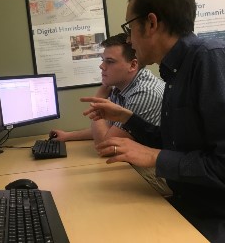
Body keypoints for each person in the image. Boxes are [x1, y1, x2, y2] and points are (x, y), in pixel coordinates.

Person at [81, 0, 225, 242]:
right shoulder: (176, 71)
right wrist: (128, 119)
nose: (130, 40)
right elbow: (180, 146)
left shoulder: (215, 60)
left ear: (152, 23)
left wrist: (156, 158)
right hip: (195, 206)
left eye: (130, 27)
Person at [51, 33, 171, 196]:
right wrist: (68, 136)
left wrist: (100, 97)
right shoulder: (121, 87)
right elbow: (111, 129)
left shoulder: (144, 93)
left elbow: (106, 145)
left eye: (110, 62)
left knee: (93, 190)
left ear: (132, 65)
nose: (102, 66)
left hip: (163, 173)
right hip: (143, 161)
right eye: (103, 60)